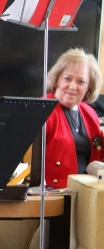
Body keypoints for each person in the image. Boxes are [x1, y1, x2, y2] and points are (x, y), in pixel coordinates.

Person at [45, 47, 103, 188]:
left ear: (89, 87)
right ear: (57, 79)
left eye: (81, 82)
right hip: (55, 193)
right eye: (67, 79)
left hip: (88, 191)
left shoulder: (90, 112)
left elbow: (99, 150)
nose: (72, 86)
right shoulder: (42, 110)